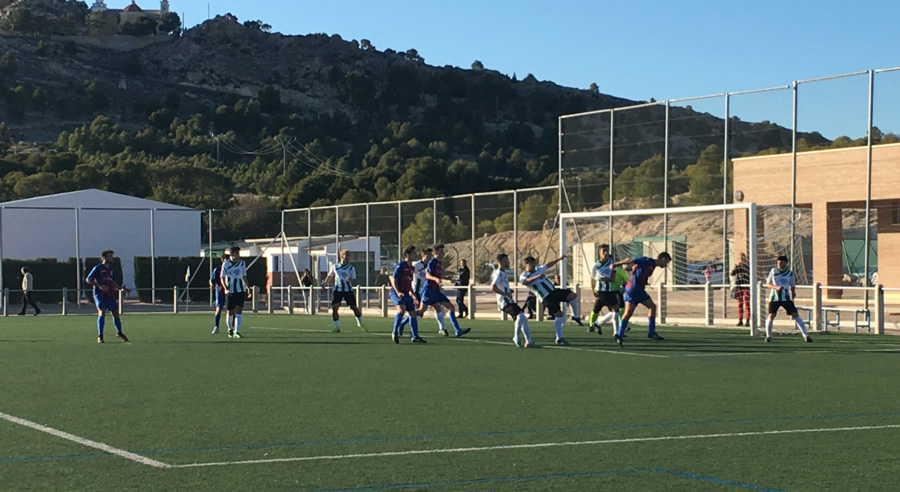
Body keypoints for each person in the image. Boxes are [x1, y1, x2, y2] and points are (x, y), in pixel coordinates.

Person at [611, 252, 672, 347]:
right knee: (652, 307)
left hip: (631, 288)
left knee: (628, 313)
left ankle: (619, 334)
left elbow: (636, 270)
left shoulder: (651, 266)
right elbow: (631, 260)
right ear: (663, 259)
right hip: (636, 289)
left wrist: (644, 282)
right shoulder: (647, 260)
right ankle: (651, 332)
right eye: (667, 262)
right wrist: (615, 264)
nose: (666, 265)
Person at [519, 255, 579, 346]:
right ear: (526, 265)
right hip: (546, 297)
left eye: (534, 263)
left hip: (554, 291)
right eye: (531, 264)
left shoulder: (538, 269)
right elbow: (525, 282)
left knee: (573, 296)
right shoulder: (523, 275)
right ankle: (559, 338)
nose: (533, 266)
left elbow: (548, 265)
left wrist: (559, 259)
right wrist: (537, 277)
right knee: (559, 314)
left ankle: (575, 316)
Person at [422, 244, 471, 337]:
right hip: (429, 290)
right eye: (441, 251)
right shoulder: (432, 262)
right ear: (435, 252)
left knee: (451, 307)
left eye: (443, 251)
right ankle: (402, 324)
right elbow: (427, 275)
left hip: (436, 291)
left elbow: (437, 275)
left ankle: (457, 330)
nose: (443, 253)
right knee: (420, 311)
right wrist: (435, 279)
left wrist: (445, 277)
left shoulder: (439, 263)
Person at [491, 254, 538, 348]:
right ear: (501, 262)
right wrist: (505, 294)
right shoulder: (499, 273)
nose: (508, 262)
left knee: (523, 319)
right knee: (520, 315)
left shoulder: (503, 272)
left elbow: (501, 286)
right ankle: (516, 336)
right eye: (506, 260)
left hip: (508, 300)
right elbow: (493, 287)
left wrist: (508, 291)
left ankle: (529, 341)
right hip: (504, 302)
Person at [85, 249, 129, 343]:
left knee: (115, 313)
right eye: (110, 256)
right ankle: (100, 336)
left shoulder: (111, 269)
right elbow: (88, 279)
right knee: (102, 312)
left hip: (109, 294)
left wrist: (121, 288)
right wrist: (100, 286)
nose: (112, 258)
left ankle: (119, 333)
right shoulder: (98, 268)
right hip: (99, 294)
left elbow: (112, 281)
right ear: (104, 257)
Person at [765, 255, 811, 343]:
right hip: (774, 298)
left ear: (786, 263)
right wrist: (776, 287)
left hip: (786, 298)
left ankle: (805, 335)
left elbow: (792, 285)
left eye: (781, 262)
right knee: (771, 315)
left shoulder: (790, 273)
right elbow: (768, 284)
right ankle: (768, 336)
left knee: (795, 314)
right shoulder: (773, 271)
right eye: (778, 262)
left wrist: (793, 293)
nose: (779, 264)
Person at [322, 249, 366, 333]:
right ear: (342, 256)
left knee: (353, 307)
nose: (348, 258)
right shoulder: (335, 266)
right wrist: (324, 284)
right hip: (338, 290)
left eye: (349, 256)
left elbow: (354, 279)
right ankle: (337, 327)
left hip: (348, 290)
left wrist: (351, 280)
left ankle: (360, 322)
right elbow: (330, 275)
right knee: (335, 307)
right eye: (347, 256)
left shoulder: (351, 267)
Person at [389, 246, 426, 344]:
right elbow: (394, 280)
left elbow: (409, 283)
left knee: (413, 314)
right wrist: (398, 292)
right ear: (407, 255)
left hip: (406, 293)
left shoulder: (411, 268)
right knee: (401, 311)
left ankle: (415, 337)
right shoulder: (401, 266)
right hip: (397, 292)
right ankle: (395, 332)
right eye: (413, 253)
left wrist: (413, 295)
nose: (415, 255)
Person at [588, 245, 620, 335]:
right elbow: (592, 279)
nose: (605, 253)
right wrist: (593, 290)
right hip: (601, 291)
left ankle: (598, 323)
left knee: (614, 310)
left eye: (607, 251)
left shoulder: (612, 264)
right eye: (603, 251)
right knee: (616, 309)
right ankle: (616, 333)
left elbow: (613, 278)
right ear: (599, 252)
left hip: (609, 291)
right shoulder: (596, 265)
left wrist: (606, 279)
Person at [221, 245, 251, 339]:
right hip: (230, 291)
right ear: (232, 254)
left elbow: (243, 276)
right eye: (237, 253)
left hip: (240, 290)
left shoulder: (242, 263)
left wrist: (248, 287)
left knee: (239, 310)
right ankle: (230, 328)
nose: (238, 255)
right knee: (230, 312)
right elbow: (222, 277)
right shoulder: (226, 264)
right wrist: (226, 288)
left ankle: (236, 331)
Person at [209, 251, 229, 334]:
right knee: (219, 309)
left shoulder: (232, 269)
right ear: (223, 260)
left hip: (230, 291)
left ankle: (231, 327)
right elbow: (211, 280)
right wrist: (212, 285)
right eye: (226, 260)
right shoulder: (218, 269)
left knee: (231, 309)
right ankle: (216, 326)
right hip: (220, 291)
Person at [730, 253, 751, 327]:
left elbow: (749, 274)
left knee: (747, 303)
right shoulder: (738, 267)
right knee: (740, 304)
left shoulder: (747, 267)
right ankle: (740, 320)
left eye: (743, 259)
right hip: (739, 286)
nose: (741, 260)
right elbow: (732, 273)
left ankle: (748, 320)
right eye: (740, 259)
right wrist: (736, 266)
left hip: (746, 286)